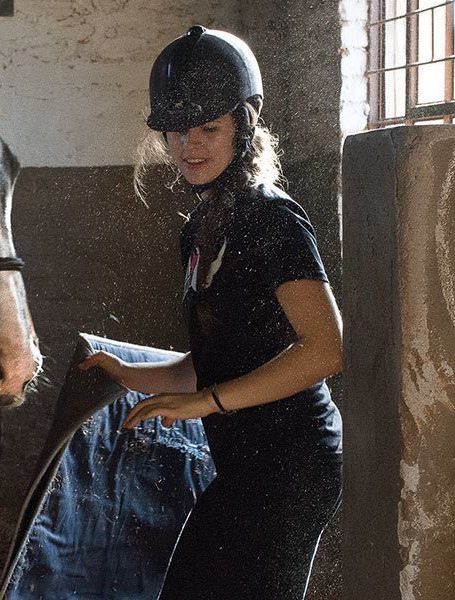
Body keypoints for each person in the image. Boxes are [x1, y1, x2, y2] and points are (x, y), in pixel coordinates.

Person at [79, 26, 343, 600]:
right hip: (243, 465)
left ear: (245, 126)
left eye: (208, 128)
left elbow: (325, 349)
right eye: (176, 131)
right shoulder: (199, 229)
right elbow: (213, 363)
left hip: (292, 463)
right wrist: (128, 375)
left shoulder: (274, 219)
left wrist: (205, 403)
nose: (188, 146)